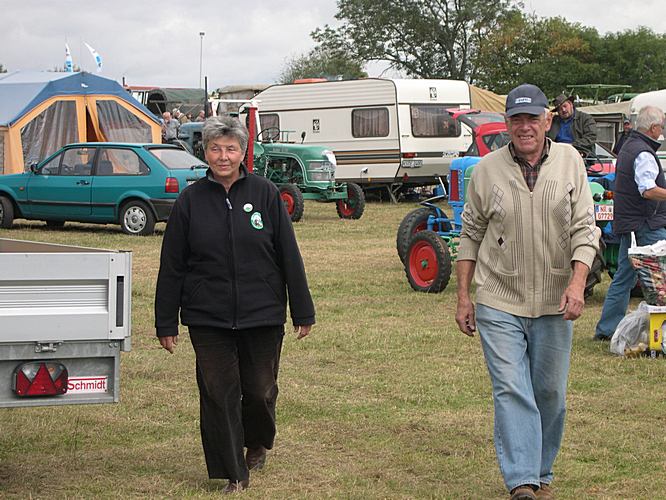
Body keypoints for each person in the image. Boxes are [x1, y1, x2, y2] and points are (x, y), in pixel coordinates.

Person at [154, 115, 315, 493]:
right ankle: (233, 472)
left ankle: (257, 441)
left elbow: (288, 254)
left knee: (260, 391)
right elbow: (172, 265)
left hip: (262, 314)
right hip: (207, 316)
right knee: (218, 394)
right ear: (205, 152)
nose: (223, 156)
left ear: (243, 152)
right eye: (215, 149)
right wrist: (166, 321)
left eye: (231, 149)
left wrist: (302, 309)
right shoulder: (190, 201)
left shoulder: (265, 194)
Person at [455, 83, 599, 500]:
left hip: (555, 301)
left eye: (532, 118)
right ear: (506, 124)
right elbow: (470, 235)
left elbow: (585, 229)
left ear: (547, 120)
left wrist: (577, 283)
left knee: (550, 393)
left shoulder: (570, 162)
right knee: (511, 388)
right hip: (499, 299)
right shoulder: (486, 170)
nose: (525, 127)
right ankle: (522, 482)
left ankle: (542, 472)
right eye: (516, 119)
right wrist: (464, 297)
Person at [594, 105, 666, 340]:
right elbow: (648, 190)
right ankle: (660, 330)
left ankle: (607, 330)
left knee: (624, 278)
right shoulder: (644, 153)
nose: (662, 131)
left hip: (630, 223)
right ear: (653, 128)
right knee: (661, 276)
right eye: (661, 127)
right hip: (646, 224)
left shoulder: (629, 146)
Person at [547, 93, 597, 158]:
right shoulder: (553, 121)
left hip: (580, 154)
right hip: (557, 154)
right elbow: (545, 138)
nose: (563, 110)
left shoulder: (586, 118)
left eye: (565, 106)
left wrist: (572, 145)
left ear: (571, 104)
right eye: (560, 109)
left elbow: (591, 137)